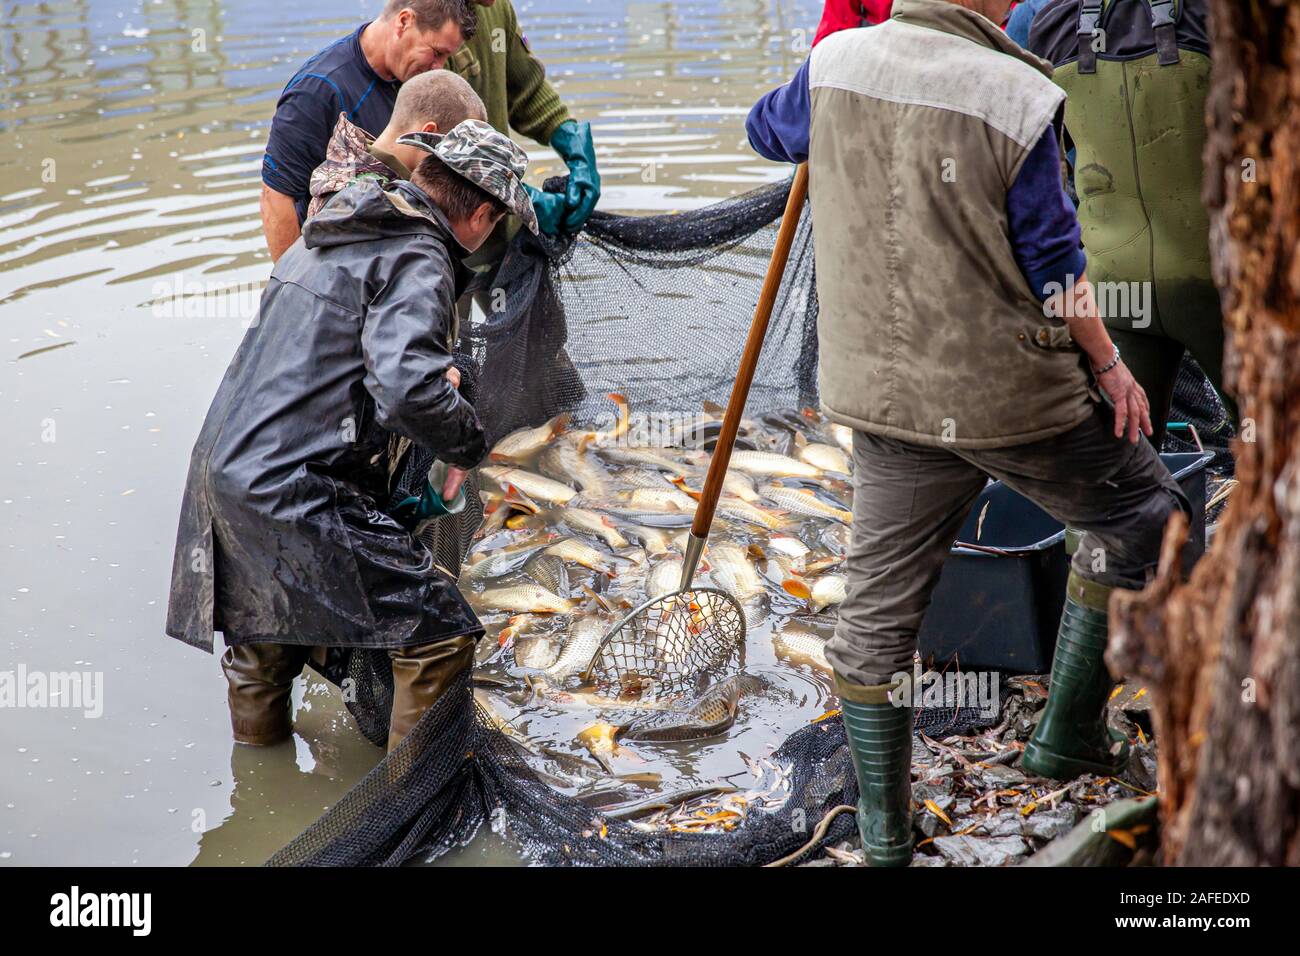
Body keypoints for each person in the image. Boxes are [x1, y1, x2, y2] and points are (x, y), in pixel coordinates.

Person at [746, 0, 1188, 866]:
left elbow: (766, 131)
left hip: (879, 397)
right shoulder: (1017, 92)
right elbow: (1056, 262)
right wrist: (1108, 364)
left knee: (877, 610)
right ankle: (1065, 735)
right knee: (1143, 512)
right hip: (1010, 398)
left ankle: (883, 837)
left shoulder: (833, 64)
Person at [166, 120, 538, 754]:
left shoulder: (337, 226)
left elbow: (336, 360)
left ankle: (260, 779)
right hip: (295, 490)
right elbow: (405, 390)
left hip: (224, 472)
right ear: (477, 213)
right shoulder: (420, 254)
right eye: (497, 222)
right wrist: (471, 446)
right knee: (439, 632)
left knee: (266, 642)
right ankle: (402, 806)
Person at [1028, 0, 1232, 448]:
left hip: (1113, 287)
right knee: (1282, 459)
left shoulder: (1051, 24)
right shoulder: (1220, 16)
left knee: (1118, 480)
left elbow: (1044, 163)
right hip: (1219, 283)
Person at [260, 0, 479, 261]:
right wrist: (290, 286)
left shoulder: (414, 81)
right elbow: (276, 199)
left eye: (446, 57)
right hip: (329, 267)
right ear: (403, 21)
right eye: (436, 53)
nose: (439, 67)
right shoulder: (318, 90)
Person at [305, 69, 486, 219]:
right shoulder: (373, 201)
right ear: (428, 133)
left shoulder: (348, 165)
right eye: (459, 148)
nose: (462, 163)